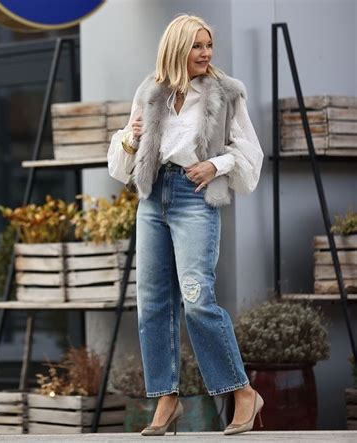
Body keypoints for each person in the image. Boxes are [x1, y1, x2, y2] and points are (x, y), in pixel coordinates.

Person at [107, 14, 264, 436]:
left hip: (194, 198)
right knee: (154, 306)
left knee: (197, 300)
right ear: (177, 48)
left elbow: (250, 152)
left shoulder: (226, 93)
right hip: (152, 199)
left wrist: (217, 163)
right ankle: (166, 400)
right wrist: (130, 137)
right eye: (197, 46)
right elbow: (120, 165)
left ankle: (242, 392)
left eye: (208, 45)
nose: (206, 53)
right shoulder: (151, 91)